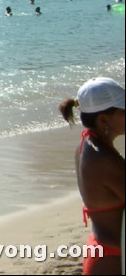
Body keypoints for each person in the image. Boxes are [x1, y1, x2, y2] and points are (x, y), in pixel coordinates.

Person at [58, 77, 125, 275]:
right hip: (112, 259)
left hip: (102, 249)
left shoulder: (87, 144)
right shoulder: (103, 159)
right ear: (103, 119)